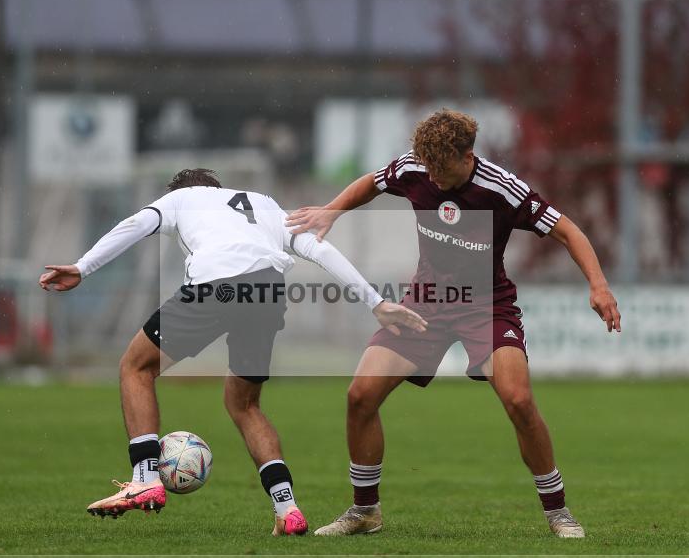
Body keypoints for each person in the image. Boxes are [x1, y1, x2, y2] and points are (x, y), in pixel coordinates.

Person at [286, 109, 621, 538]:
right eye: (429, 170)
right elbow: (372, 182)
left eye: (442, 171)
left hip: (487, 307)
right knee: (360, 395)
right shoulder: (416, 167)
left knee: (519, 401)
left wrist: (598, 285)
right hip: (426, 305)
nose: (433, 179)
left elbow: (569, 231)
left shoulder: (502, 188)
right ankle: (365, 511)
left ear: (468, 156)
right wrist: (332, 210)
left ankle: (559, 513)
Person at [39, 168, 426, 536]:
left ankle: (145, 479)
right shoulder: (263, 204)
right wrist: (375, 302)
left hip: (215, 286)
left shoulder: (181, 198)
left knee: (135, 367)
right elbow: (318, 249)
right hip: (268, 291)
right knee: (244, 404)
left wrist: (82, 267)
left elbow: (136, 224)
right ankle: (287, 510)